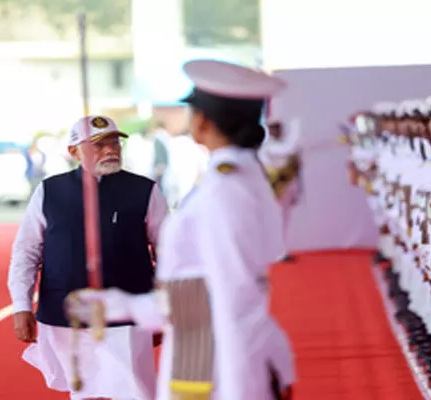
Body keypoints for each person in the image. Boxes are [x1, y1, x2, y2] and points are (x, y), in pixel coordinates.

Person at [65, 60, 296, 400]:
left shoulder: (225, 189)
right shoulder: (241, 177)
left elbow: (230, 294)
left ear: (202, 121)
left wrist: (126, 306)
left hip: (213, 355)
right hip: (206, 344)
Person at [7, 115, 169, 400]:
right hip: (64, 314)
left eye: (114, 142)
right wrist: (21, 304)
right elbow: (26, 251)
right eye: (99, 144)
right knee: (83, 393)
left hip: (127, 316)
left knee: (136, 392)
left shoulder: (145, 191)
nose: (111, 149)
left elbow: (169, 254)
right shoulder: (48, 191)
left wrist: (163, 310)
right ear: (74, 152)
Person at [259, 119, 302, 262]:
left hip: (286, 188)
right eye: (274, 128)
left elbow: (294, 170)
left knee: (284, 219)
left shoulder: (278, 145)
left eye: (279, 128)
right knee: (277, 220)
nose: (277, 131)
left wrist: (296, 191)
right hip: (274, 189)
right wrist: (297, 127)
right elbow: (290, 148)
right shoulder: (268, 147)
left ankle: (281, 250)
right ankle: (276, 252)